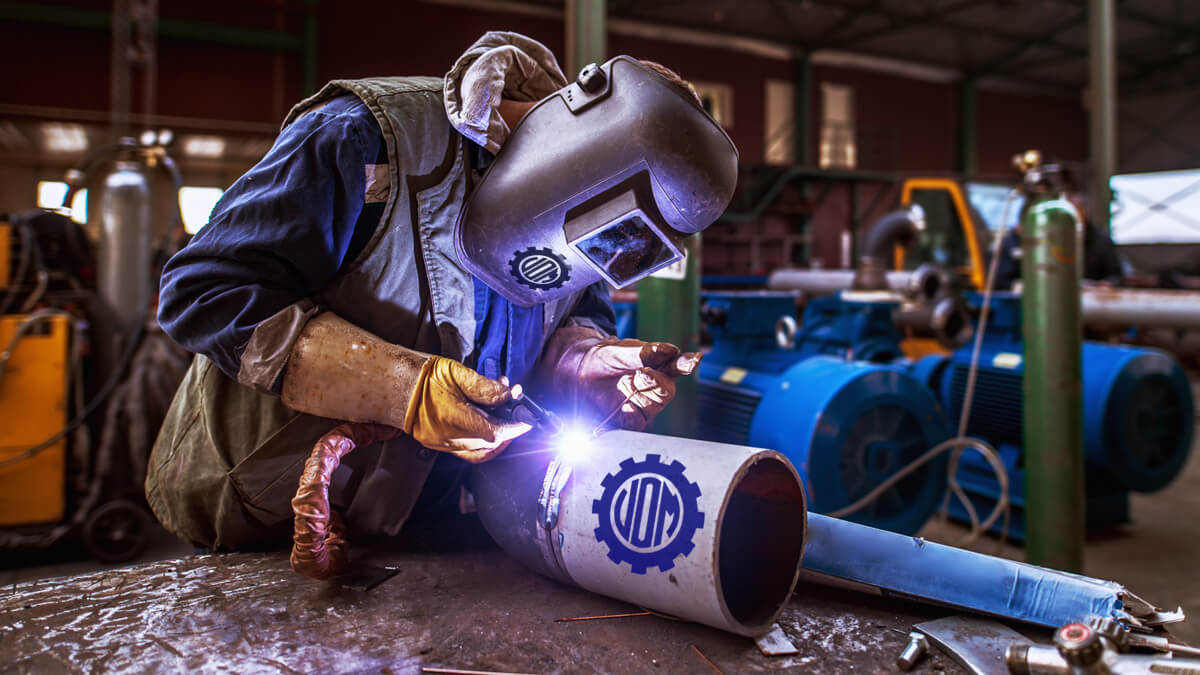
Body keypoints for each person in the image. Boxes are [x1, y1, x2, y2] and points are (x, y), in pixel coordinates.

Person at [145, 32, 738, 552]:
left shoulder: (587, 235)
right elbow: (205, 292)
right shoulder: (366, 137)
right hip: (262, 513)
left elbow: (574, 312)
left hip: (421, 531)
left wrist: (583, 359)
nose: (599, 253)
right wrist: (404, 387)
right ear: (583, 147)